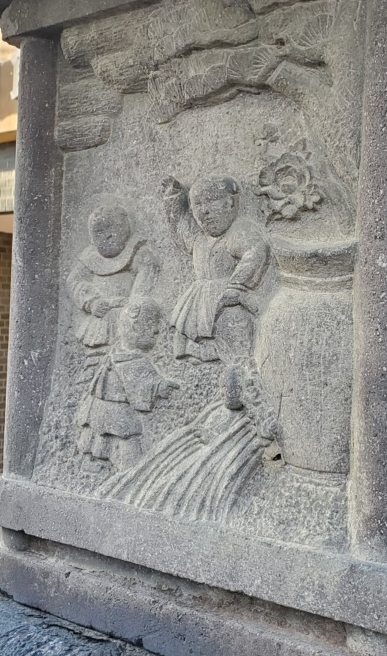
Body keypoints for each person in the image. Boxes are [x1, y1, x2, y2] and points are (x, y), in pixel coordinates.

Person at [162, 175, 270, 363]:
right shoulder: (199, 239)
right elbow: (180, 226)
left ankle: (238, 362)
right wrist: (174, 197)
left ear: (230, 203)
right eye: (197, 204)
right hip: (200, 299)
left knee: (233, 329)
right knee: (194, 335)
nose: (204, 211)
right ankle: (202, 352)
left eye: (212, 201)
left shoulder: (237, 232)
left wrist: (236, 286)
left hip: (226, 298)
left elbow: (255, 251)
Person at [77, 299, 178, 471]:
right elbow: (141, 387)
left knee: (98, 434)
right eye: (152, 324)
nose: (156, 331)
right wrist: (159, 388)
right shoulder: (132, 360)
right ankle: (129, 470)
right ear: (135, 327)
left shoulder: (117, 352)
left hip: (98, 407)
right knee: (125, 439)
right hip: (115, 410)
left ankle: (93, 461)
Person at [67, 203, 155, 347]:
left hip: (127, 318)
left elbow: (142, 289)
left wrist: (132, 309)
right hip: (98, 320)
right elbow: (73, 281)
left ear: (125, 227)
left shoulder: (139, 254)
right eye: (99, 232)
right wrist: (91, 302)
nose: (107, 236)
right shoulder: (90, 257)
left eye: (113, 228)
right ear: (91, 237)